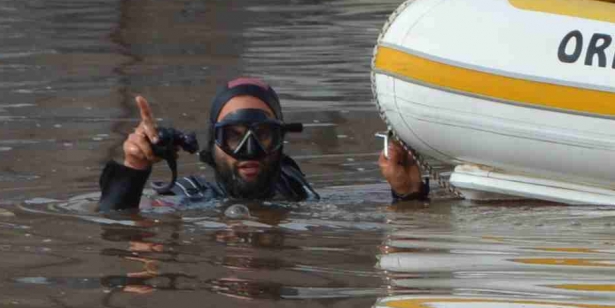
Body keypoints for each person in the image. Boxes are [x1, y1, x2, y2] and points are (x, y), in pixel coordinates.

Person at [99, 78, 429, 213]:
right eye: (234, 136)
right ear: (213, 145)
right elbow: (116, 225)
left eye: (263, 135)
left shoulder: (295, 189)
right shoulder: (189, 197)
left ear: (280, 141)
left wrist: (408, 195)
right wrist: (135, 169)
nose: (249, 148)